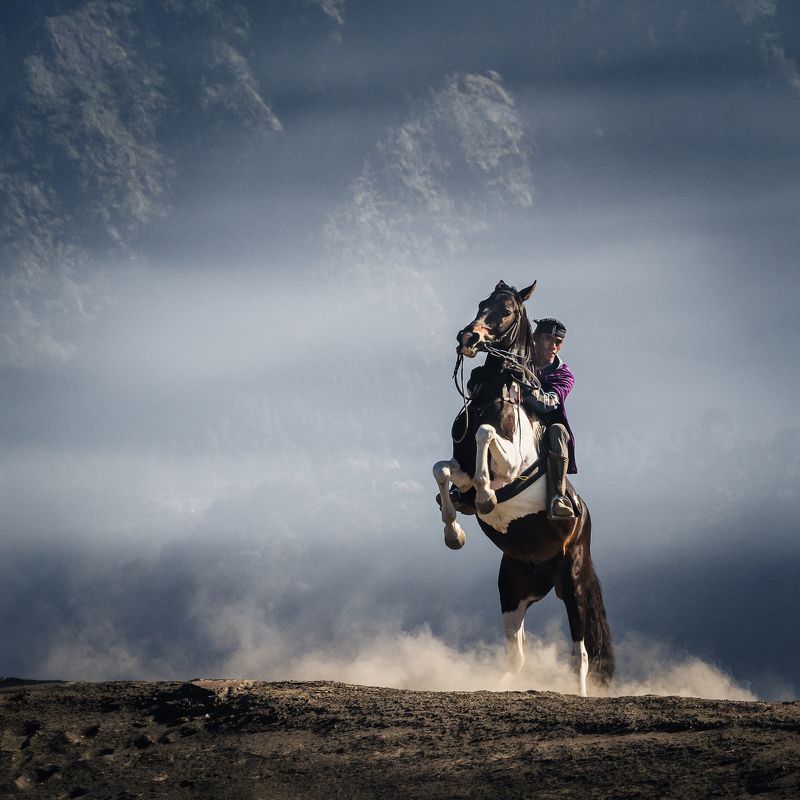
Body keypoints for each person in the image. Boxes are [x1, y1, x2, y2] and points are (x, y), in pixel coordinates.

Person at [521, 318, 577, 519]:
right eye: (548, 339)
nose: (553, 346)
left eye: (558, 341)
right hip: (513, 419)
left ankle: (558, 497)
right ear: (535, 339)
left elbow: (548, 402)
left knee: (559, 431)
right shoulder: (518, 360)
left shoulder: (564, 375)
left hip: (544, 430)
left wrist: (525, 390)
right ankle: (462, 486)